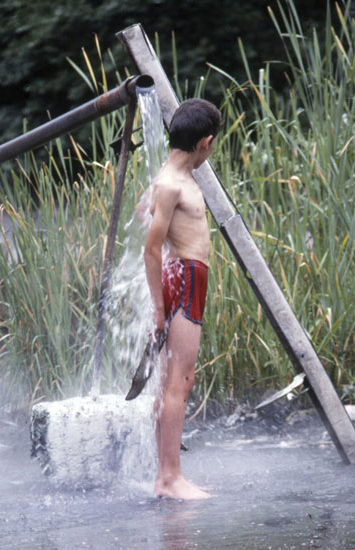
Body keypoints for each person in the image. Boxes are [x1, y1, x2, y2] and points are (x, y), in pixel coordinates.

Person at [144, 98, 221, 500]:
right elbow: (150, 248)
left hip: (186, 275)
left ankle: (167, 474)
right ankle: (169, 479)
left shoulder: (172, 176)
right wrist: (158, 309)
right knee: (180, 381)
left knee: (171, 382)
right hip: (186, 276)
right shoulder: (172, 183)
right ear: (205, 143)